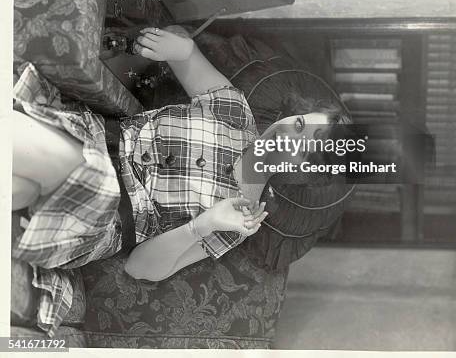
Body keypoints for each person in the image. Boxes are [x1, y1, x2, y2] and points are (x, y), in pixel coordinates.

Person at [12, 25, 352, 335]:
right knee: (22, 185)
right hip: (91, 137)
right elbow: (187, 55)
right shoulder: (234, 110)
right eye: (295, 124)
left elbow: (141, 268)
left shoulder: (240, 217)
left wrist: (202, 225)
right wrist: (178, 47)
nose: (283, 137)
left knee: (46, 159)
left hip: (104, 215)